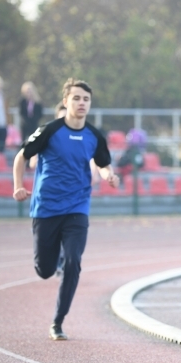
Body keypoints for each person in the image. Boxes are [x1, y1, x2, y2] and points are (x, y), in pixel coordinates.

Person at [12, 78, 119, 341]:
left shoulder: (94, 135)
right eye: (76, 98)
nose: (81, 103)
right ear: (65, 102)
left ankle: (58, 321)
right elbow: (21, 157)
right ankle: (52, 259)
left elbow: (103, 163)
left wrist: (108, 175)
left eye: (86, 99)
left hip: (77, 207)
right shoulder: (49, 130)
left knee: (73, 262)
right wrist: (18, 185)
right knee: (45, 270)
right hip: (46, 208)